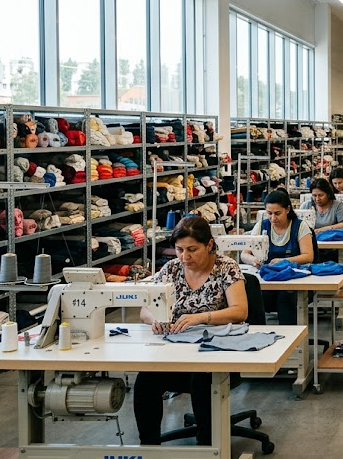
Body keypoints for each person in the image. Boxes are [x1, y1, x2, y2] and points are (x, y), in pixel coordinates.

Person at [135, 217, 248, 446]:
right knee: (146, 380)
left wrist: (201, 317)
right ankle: (149, 447)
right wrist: (154, 319)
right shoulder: (172, 269)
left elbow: (240, 311)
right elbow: (145, 308)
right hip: (177, 352)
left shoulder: (226, 268)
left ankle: (207, 446)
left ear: (209, 245)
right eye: (179, 250)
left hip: (216, 353)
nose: (184, 257)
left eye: (192, 250)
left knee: (201, 379)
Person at [240, 190, 315, 325]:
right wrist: (253, 260)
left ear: (287, 209)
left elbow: (308, 256)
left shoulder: (299, 226)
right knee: (249, 293)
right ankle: (257, 335)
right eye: (269, 213)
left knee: (285, 297)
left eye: (277, 213)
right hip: (269, 281)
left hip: (294, 283)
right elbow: (244, 254)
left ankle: (291, 341)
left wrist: (285, 261)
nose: (273, 218)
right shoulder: (261, 226)